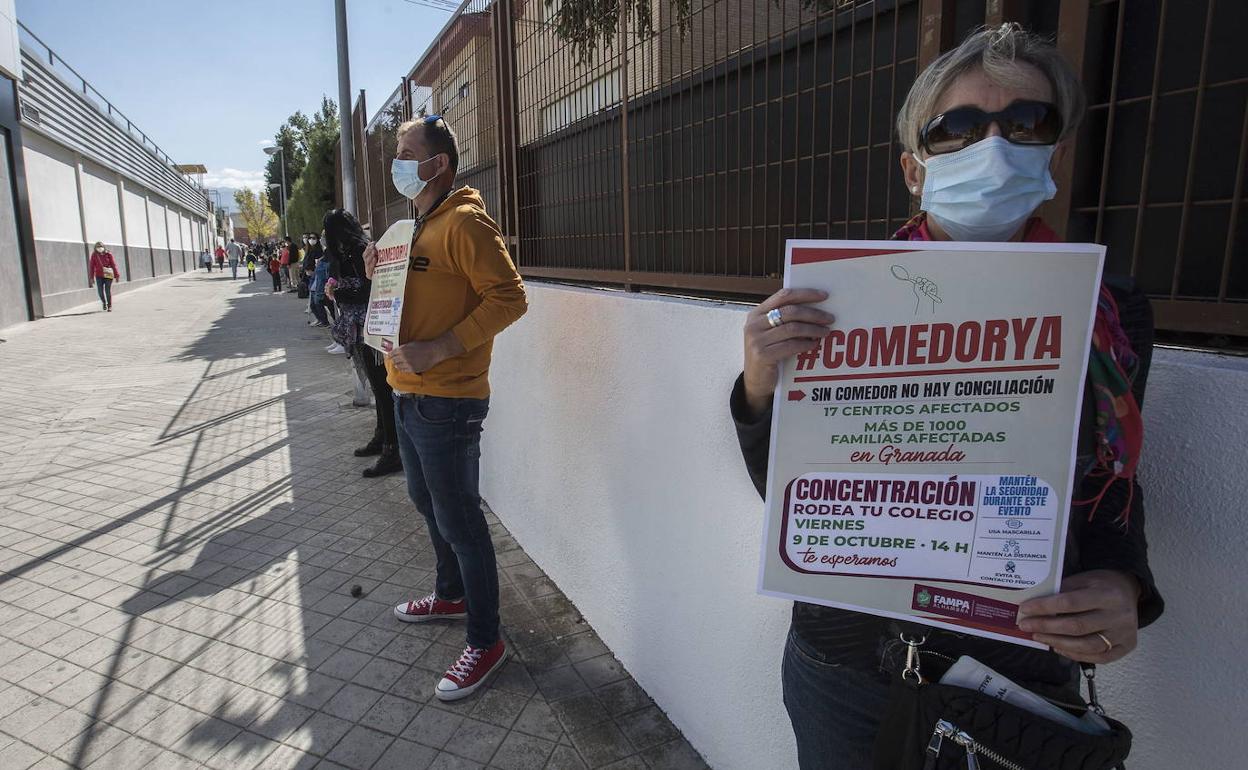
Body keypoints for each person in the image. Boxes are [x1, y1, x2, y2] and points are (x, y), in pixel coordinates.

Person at [730, 25, 1163, 770]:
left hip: (1008, 675)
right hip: (842, 664)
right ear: (914, 167)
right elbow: (783, 488)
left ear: (1054, 155)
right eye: (958, 127)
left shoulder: (1107, 313)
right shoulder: (842, 299)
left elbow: (1109, 483)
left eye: (1025, 123)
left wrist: (1124, 587)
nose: (992, 149)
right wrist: (759, 383)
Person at [366, 116, 527, 700]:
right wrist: (379, 272)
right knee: (423, 498)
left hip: (448, 399)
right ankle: (451, 593)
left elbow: (511, 297)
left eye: (408, 153)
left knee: (460, 518)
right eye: (397, 153)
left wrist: (440, 347)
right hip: (408, 392)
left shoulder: (464, 222)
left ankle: (487, 642)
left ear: (440, 164)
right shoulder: (415, 227)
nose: (398, 163)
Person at [323, 208, 402, 478]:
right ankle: (383, 437)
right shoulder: (349, 249)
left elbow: (369, 288)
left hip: (372, 327)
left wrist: (339, 289)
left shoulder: (360, 249)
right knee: (378, 387)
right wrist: (334, 286)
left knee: (382, 388)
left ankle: (393, 448)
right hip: (362, 328)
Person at [88, 241, 121, 312]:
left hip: (108, 275)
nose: (100, 248)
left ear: (103, 247)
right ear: (95, 248)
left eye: (101, 246)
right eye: (98, 247)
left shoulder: (108, 254)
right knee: (100, 291)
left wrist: (117, 275)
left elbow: (113, 265)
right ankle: (104, 302)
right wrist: (91, 277)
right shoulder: (94, 255)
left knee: (107, 290)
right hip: (99, 275)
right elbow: (92, 267)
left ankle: (109, 306)